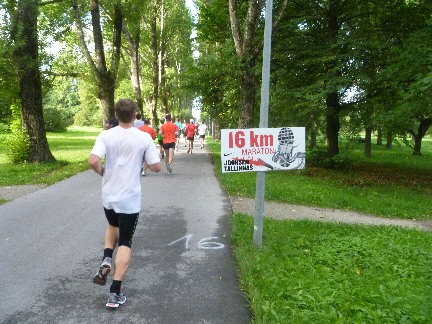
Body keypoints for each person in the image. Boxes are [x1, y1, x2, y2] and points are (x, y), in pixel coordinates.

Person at [88, 99, 161, 308]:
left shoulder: (105, 135)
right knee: (126, 241)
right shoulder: (144, 137)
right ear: (135, 114)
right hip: (129, 198)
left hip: (108, 194)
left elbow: (93, 160)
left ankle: (106, 258)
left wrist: (102, 172)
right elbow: (156, 167)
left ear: (116, 115)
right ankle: (114, 293)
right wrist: (144, 161)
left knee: (112, 225)